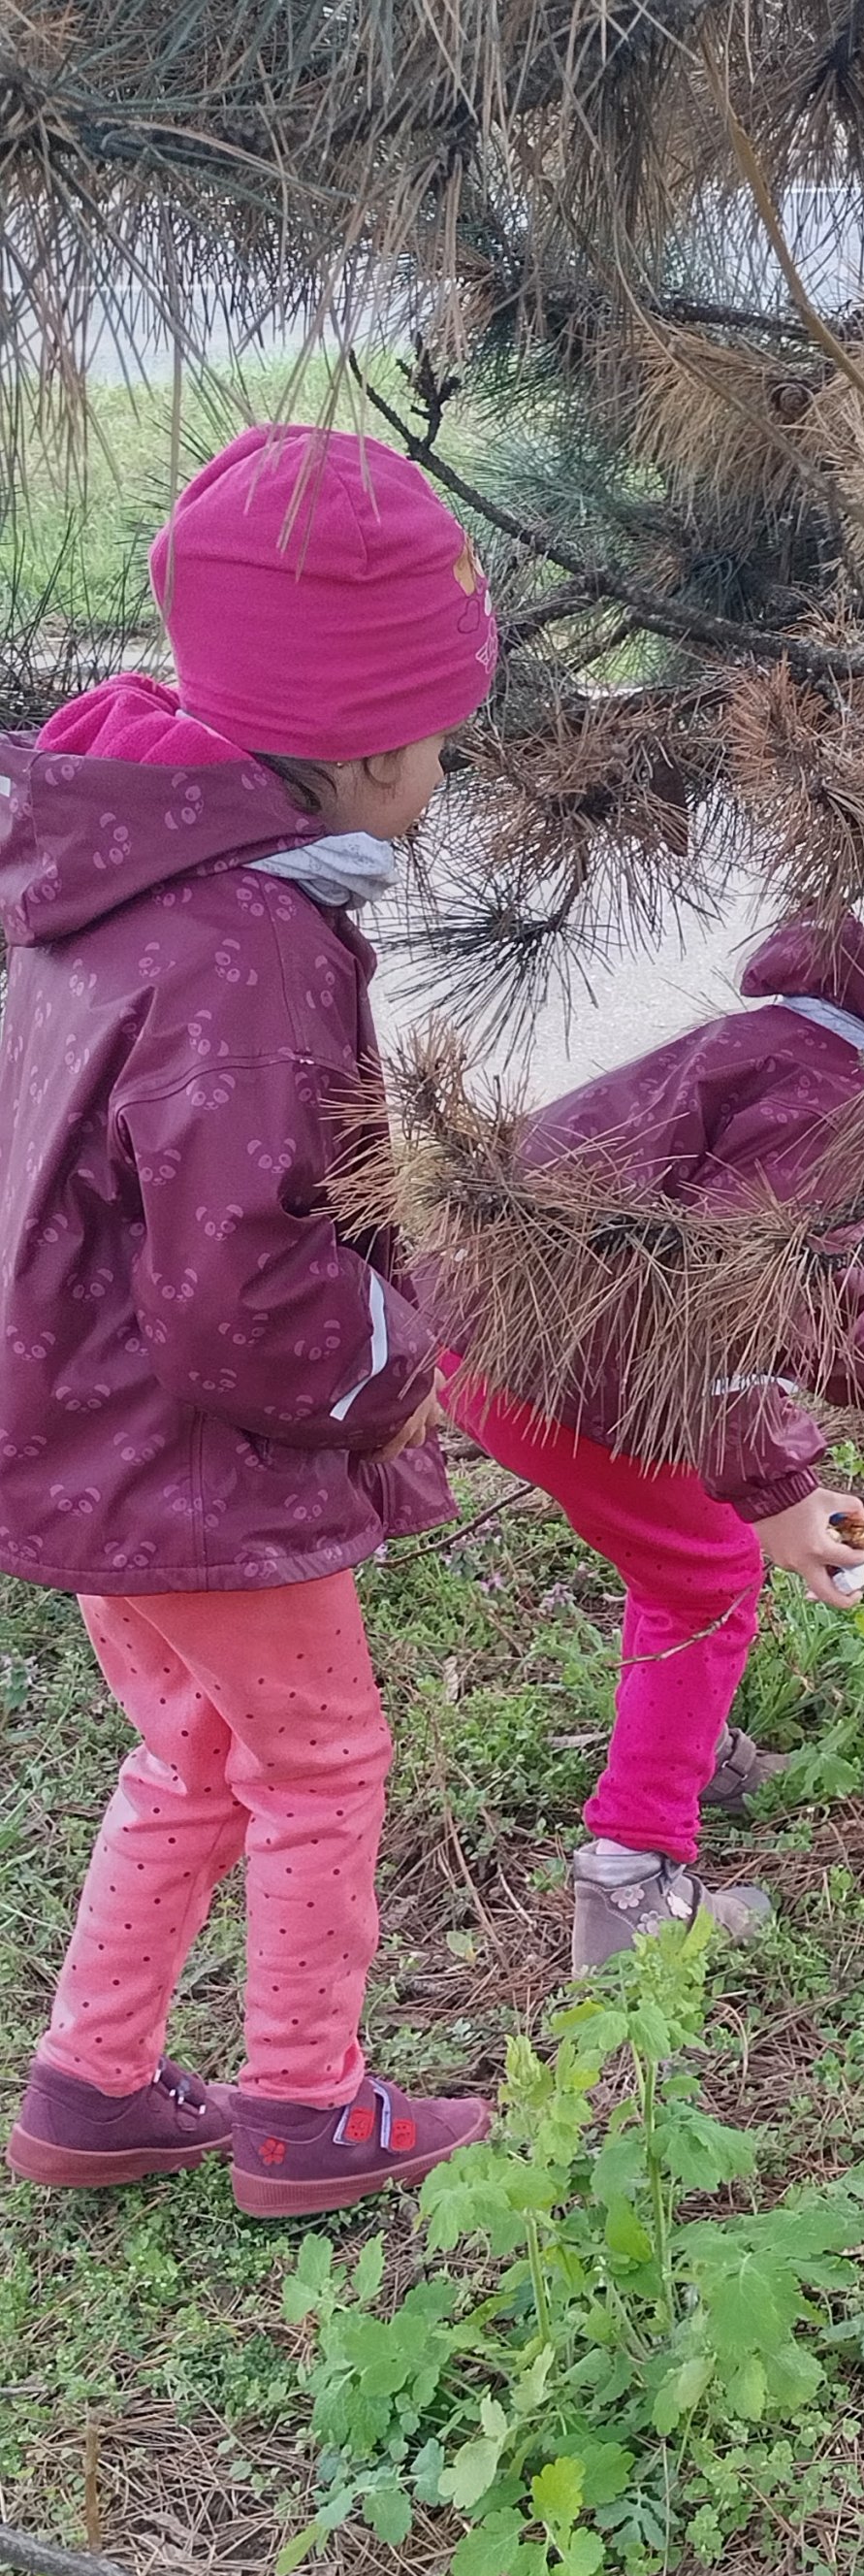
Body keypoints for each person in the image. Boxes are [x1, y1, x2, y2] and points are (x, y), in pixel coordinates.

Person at [0, 425, 499, 2219]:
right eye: (443, 736)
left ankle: (92, 2076)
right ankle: (304, 2103)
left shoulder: (111, 874)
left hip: (84, 1429)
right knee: (322, 1758)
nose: (447, 770)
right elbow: (240, 1287)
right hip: (191, 1452)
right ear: (365, 743)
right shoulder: (248, 939)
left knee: (197, 1746)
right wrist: (402, 1350)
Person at [438, 812, 864, 1971]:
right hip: (580, 1363)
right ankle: (631, 1883)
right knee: (712, 1573)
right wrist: (778, 1488)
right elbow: (727, 1290)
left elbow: (804, 1268)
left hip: (500, 1334)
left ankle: (687, 1749)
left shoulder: (821, 1041)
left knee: (678, 1562)